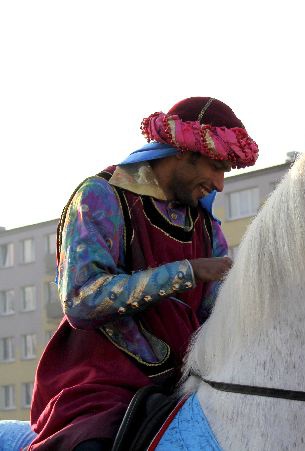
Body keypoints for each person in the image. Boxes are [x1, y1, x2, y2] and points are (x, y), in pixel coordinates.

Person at [27, 97, 259, 450]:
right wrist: (186, 272)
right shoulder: (102, 197)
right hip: (99, 384)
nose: (220, 184)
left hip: (183, 384)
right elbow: (80, 301)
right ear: (182, 151)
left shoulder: (207, 227)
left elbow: (216, 317)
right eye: (215, 167)